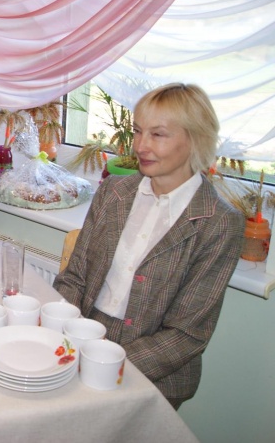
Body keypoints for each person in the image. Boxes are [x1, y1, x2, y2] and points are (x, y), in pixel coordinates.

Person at [53, 82, 245, 410]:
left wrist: (105, 362)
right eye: (138, 131)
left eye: (158, 134)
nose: (141, 145)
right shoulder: (113, 192)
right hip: (84, 338)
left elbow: (187, 334)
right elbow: (74, 279)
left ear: (196, 139)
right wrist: (63, 336)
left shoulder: (218, 222)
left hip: (154, 371)